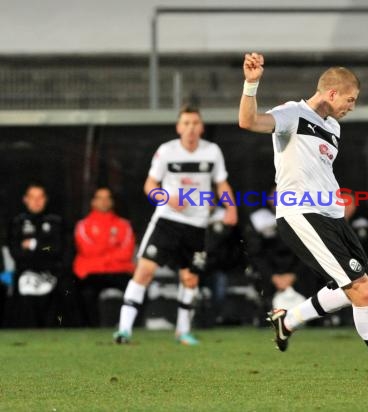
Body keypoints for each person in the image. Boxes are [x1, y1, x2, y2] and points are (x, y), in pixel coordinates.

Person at [239, 52, 368, 387]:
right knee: (362, 292)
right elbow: (249, 122)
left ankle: (288, 320)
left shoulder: (333, 127)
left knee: (360, 286)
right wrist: (251, 83)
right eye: (350, 99)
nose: (352, 106)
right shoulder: (293, 114)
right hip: (301, 214)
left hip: (332, 215)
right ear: (332, 93)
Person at [114, 105, 238, 344]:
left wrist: (231, 208)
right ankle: (124, 329)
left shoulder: (212, 152)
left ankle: (183, 331)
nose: (191, 128)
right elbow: (150, 185)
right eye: (186, 123)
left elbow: (222, 184)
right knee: (145, 271)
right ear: (179, 127)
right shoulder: (167, 151)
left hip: (197, 224)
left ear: (201, 127)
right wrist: (166, 197)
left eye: (195, 123)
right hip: (167, 221)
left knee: (190, 279)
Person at [73, 187, 135, 327]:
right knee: (85, 293)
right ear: (93, 202)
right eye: (100, 198)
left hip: (118, 271)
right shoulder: (83, 225)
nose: (104, 201)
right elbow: (87, 250)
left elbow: (126, 253)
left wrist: (102, 254)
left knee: (137, 289)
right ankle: (91, 330)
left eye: (107, 198)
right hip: (93, 272)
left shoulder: (124, 225)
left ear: (112, 202)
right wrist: (111, 249)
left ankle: (130, 327)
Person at [8, 183, 63, 327]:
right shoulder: (17, 223)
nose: (36, 201)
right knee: (25, 290)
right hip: (26, 272)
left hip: (51, 273)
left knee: (65, 291)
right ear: (25, 199)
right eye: (32, 197)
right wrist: (44, 248)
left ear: (46, 199)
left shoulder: (55, 222)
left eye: (40, 197)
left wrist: (34, 245)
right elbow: (16, 252)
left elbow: (56, 249)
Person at [245, 192, 306, 317]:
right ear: (269, 199)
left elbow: (307, 252)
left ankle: (314, 317)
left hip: (297, 270)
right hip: (270, 271)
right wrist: (273, 277)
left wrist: (293, 274)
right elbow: (256, 253)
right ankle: (263, 314)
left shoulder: (302, 218)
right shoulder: (260, 220)